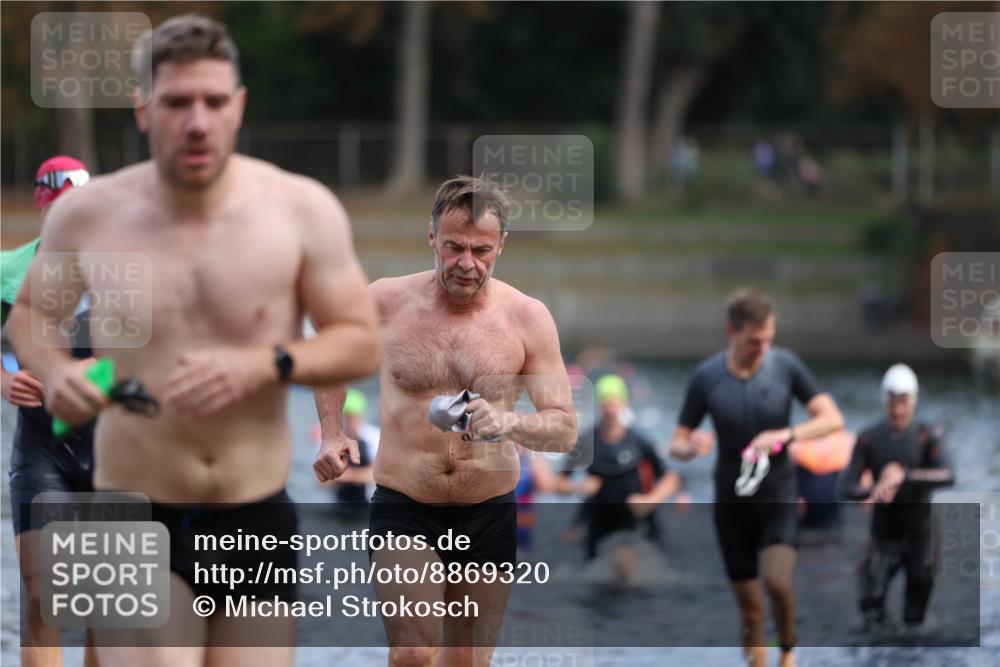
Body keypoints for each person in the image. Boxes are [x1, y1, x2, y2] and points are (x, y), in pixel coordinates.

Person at [6, 14, 380, 667]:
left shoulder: (301, 210)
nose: (198, 121)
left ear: (239, 105)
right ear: (144, 109)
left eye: (213, 100)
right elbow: (32, 314)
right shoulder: (90, 215)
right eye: (178, 102)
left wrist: (269, 362)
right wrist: (57, 370)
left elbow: (359, 342)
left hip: (252, 511)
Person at [313, 175, 578, 667]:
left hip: (488, 508)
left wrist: (506, 422)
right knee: (414, 652)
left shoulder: (527, 318)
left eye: (481, 250)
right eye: (455, 247)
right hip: (406, 504)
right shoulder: (385, 303)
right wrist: (332, 432)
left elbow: (563, 428)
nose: (466, 263)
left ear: (501, 245)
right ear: (432, 237)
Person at [669, 288, 844, 667]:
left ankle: (788, 653)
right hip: (731, 506)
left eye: (768, 339)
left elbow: (832, 418)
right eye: (754, 341)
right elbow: (675, 444)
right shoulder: (707, 377)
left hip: (778, 497)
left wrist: (787, 434)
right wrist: (691, 444)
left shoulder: (786, 366)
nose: (762, 348)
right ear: (732, 332)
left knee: (777, 582)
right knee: (749, 608)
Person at [2, 156, 95, 667]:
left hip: (116, 450)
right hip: (43, 452)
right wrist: (4, 379)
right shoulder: (13, 269)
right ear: (43, 207)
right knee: (43, 596)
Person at [838, 364, 954, 631]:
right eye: (892, 401)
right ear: (883, 400)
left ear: (913, 401)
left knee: (915, 618)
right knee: (870, 610)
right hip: (884, 536)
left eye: (904, 401)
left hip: (921, 538)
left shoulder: (927, 435)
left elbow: (948, 475)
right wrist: (876, 488)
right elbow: (845, 487)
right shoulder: (869, 437)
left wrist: (904, 475)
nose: (898, 410)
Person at [557, 374, 682, 584]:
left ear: (624, 404)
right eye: (606, 403)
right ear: (599, 405)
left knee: (626, 565)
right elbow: (559, 483)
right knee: (597, 577)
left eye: (614, 402)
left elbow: (671, 478)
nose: (610, 409)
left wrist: (649, 501)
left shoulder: (639, 441)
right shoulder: (586, 442)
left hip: (633, 520)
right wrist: (580, 487)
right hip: (598, 520)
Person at [326, 388, 378, 521]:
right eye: (347, 416)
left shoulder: (373, 437)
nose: (351, 421)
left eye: (354, 416)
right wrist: (360, 476)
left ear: (362, 415)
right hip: (339, 508)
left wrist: (344, 476)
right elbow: (321, 480)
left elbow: (377, 475)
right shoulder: (332, 439)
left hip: (367, 508)